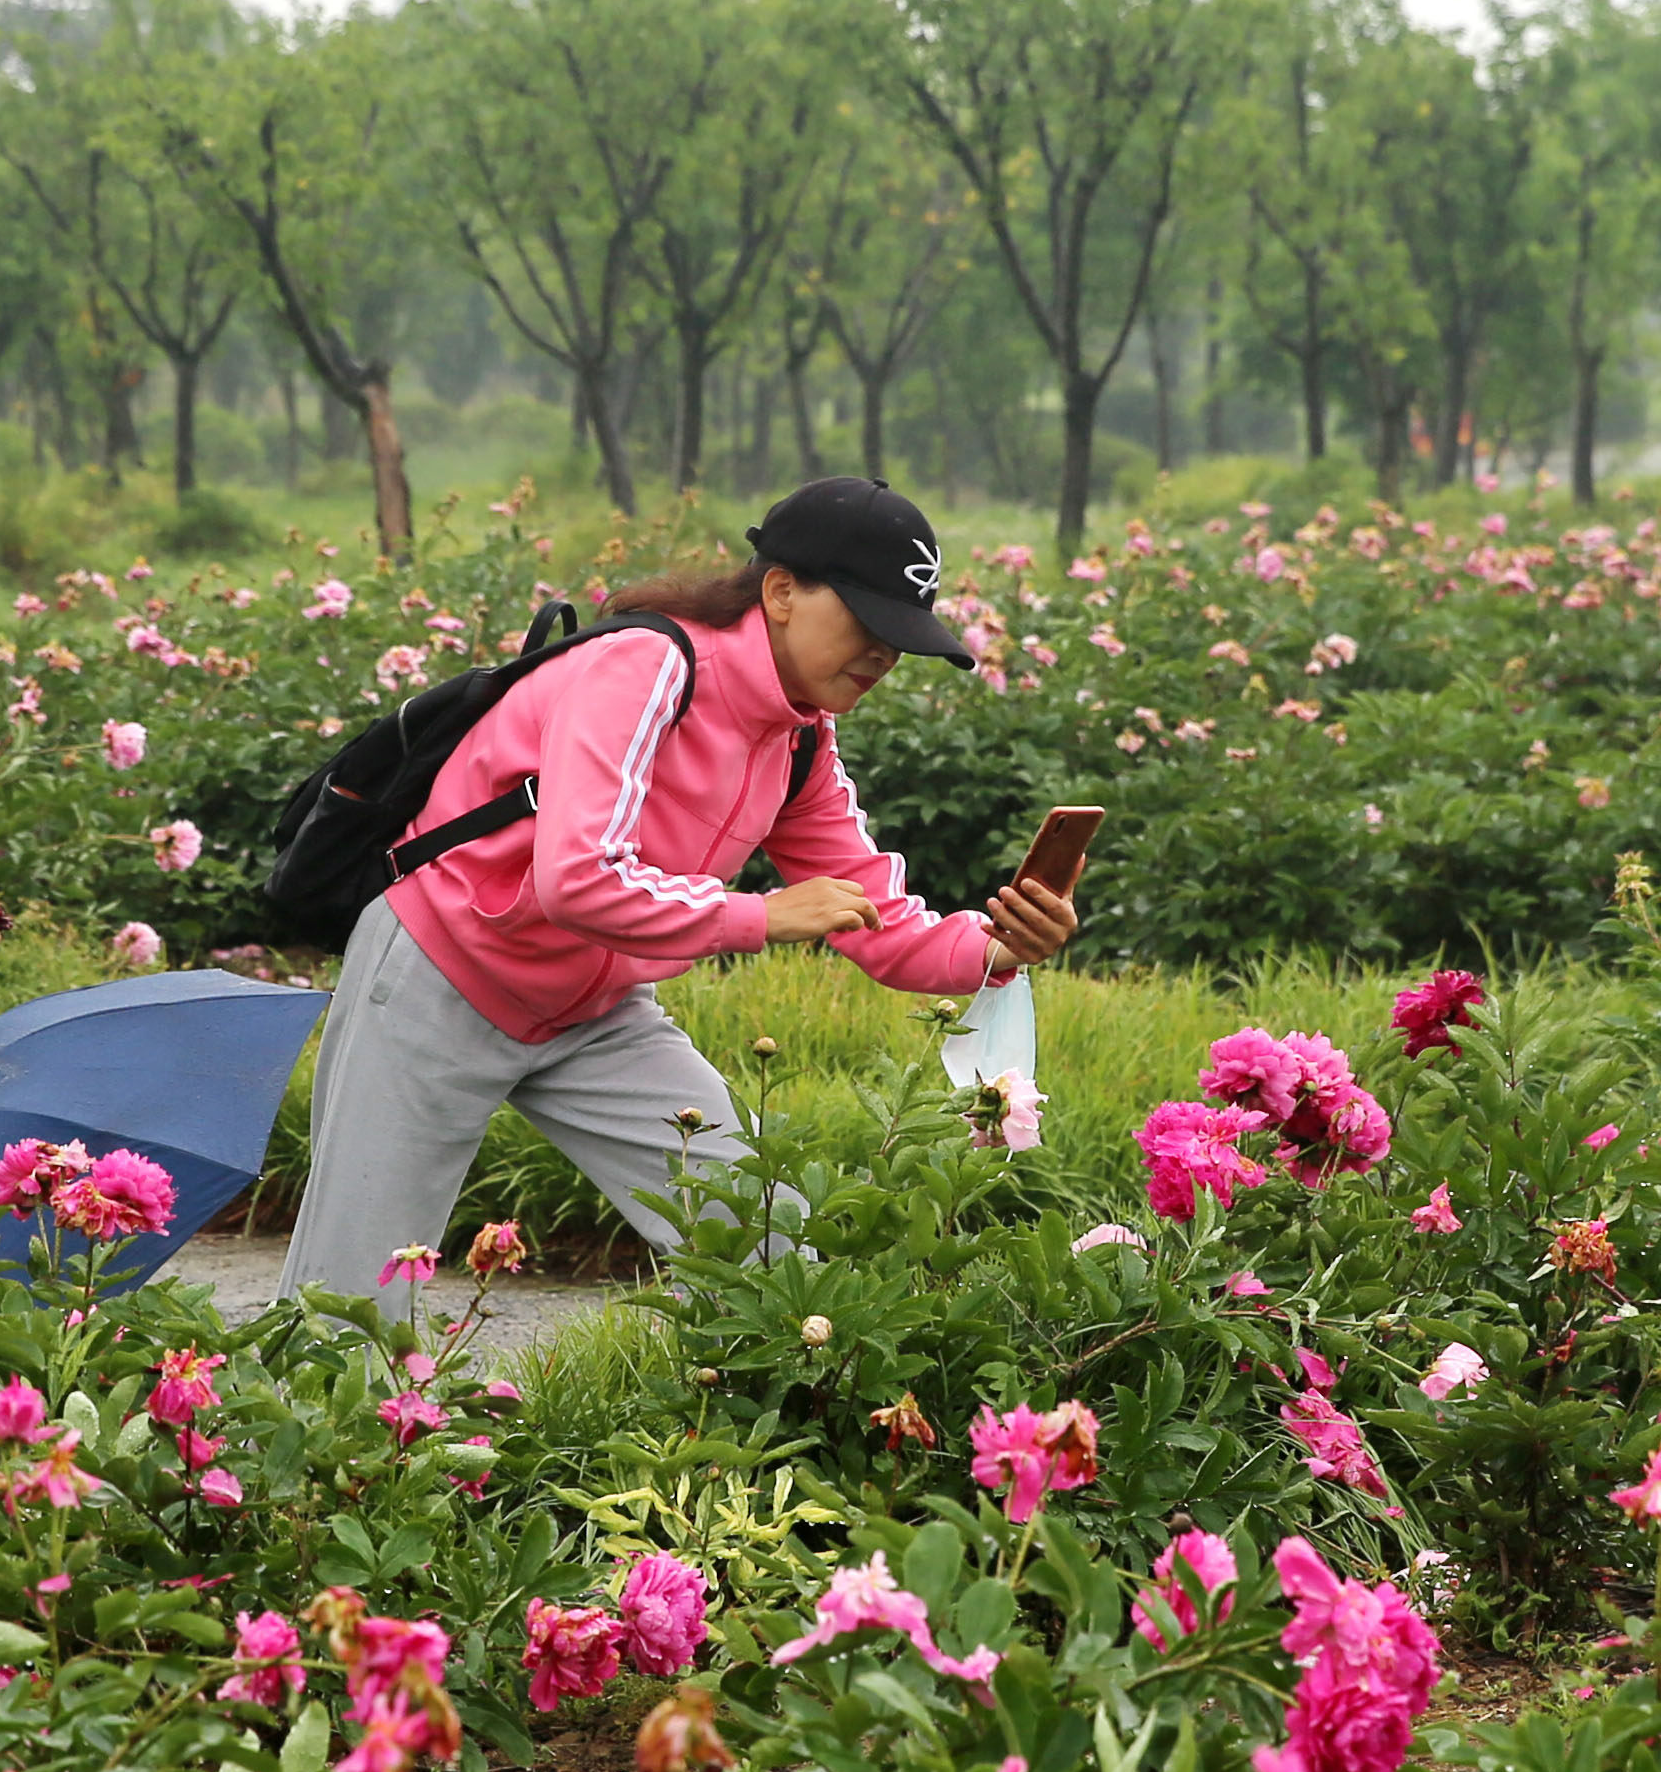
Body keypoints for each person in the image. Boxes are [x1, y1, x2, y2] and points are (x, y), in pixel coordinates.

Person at [280, 475, 1078, 1312]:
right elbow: (576, 878)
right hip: (439, 976)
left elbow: (873, 913)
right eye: (868, 623)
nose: (884, 654)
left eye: (902, 637)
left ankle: (771, 1428)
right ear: (779, 591)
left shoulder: (799, 738)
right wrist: (760, 917)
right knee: (347, 1305)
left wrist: (995, 945)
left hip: (595, 1014)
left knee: (772, 1245)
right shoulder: (644, 665)